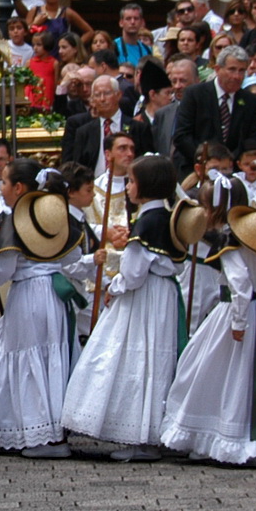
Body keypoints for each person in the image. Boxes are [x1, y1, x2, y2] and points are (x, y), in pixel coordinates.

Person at [0, 161, 89, 457]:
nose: (1, 189)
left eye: (4, 183)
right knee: (48, 357)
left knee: (27, 358)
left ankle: (39, 435)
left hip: (28, 297)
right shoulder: (56, 215)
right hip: (54, 297)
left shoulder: (15, 219)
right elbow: (73, 261)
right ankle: (52, 432)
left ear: (19, 188)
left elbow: (5, 268)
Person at [61, 155, 184, 459]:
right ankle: (148, 433)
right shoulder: (166, 217)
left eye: (131, 181)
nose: (127, 186)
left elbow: (133, 273)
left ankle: (142, 436)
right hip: (162, 296)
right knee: (154, 359)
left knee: (139, 359)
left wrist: (112, 288)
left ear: (146, 186)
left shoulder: (146, 222)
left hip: (143, 300)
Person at [160, 203, 256, 468]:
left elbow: (240, 285)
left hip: (232, 315)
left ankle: (217, 438)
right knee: (245, 376)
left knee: (210, 370)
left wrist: (238, 322)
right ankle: (247, 441)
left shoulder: (231, 249)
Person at [173, 45, 256, 167]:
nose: (237, 76)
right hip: (196, 167)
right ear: (217, 69)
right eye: (232, 69)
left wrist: (231, 162)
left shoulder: (251, 101)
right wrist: (206, 160)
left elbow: (253, 139)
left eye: (242, 70)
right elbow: (182, 136)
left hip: (234, 170)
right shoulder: (194, 94)